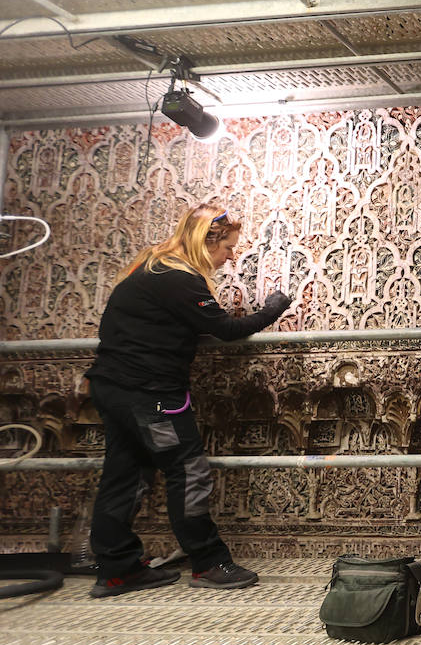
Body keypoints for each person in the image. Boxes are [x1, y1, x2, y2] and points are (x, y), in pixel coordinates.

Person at [84, 203, 291, 598]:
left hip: (113, 388)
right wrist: (272, 309)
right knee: (188, 472)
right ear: (206, 241)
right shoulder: (179, 279)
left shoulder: (152, 268)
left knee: (125, 475)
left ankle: (117, 570)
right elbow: (226, 329)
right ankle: (209, 562)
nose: (230, 256)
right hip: (151, 397)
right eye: (228, 247)